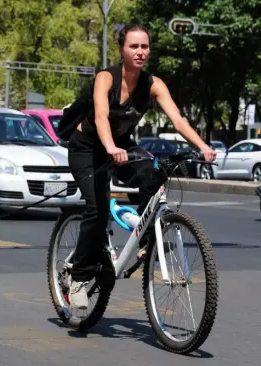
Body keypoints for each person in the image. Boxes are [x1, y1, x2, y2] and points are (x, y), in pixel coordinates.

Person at [66, 24, 217, 310]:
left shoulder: (153, 84)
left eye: (144, 46)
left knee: (154, 170)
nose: (140, 52)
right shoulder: (105, 78)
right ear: (122, 50)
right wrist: (110, 148)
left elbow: (178, 120)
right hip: (87, 148)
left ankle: (147, 243)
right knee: (97, 210)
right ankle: (79, 278)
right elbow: (100, 117)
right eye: (134, 46)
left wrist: (202, 146)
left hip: (121, 145)